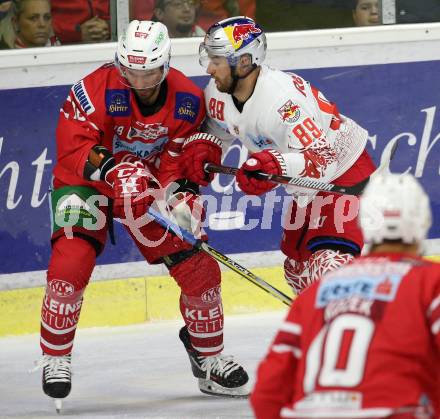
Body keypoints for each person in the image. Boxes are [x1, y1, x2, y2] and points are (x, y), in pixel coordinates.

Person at [34, 20, 249, 407]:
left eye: (148, 71)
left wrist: (180, 197)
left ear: (165, 65)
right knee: (70, 264)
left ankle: (208, 356)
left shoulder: (186, 98)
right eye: (131, 70)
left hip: (146, 190)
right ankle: (55, 357)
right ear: (119, 63)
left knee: (200, 270)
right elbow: (72, 148)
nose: (139, 79)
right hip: (88, 185)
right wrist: (115, 169)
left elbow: (178, 159)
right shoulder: (91, 90)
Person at [180, 16, 376, 296]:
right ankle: (329, 323)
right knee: (297, 270)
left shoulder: (283, 102)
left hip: (343, 175)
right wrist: (207, 147)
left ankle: (361, 325)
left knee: (328, 269)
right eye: (208, 58)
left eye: (217, 60)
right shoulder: (218, 92)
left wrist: (275, 163)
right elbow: (217, 127)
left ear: (244, 62)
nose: (209, 68)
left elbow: (322, 159)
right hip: (305, 184)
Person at [250, 173, 440, 418]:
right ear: (422, 221)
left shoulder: (318, 290)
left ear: (365, 222)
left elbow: (268, 391)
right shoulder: (431, 281)